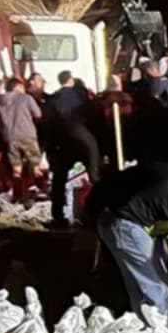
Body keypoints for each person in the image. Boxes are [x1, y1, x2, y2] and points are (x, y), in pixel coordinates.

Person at [85, 161, 168, 322]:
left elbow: (163, 244)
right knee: (155, 287)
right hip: (126, 226)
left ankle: (152, 331)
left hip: (116, 222)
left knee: (141, 287)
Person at [48, 74, 102, 227]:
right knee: (95, 177)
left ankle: (58, 216)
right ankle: (97, 213)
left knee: (59, 179)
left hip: (62, 142)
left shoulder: (53, 99)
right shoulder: (83, 96)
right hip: (85, 139)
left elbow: (49, 124)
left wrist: (50, 149)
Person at [0, 78, 44, 199]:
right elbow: (38, 114)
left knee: (16, 166)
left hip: (9, 137)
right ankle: (39, 188)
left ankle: (17, 192)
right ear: (18, 87)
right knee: (35, 163)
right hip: (27, 134)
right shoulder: (25, 98)